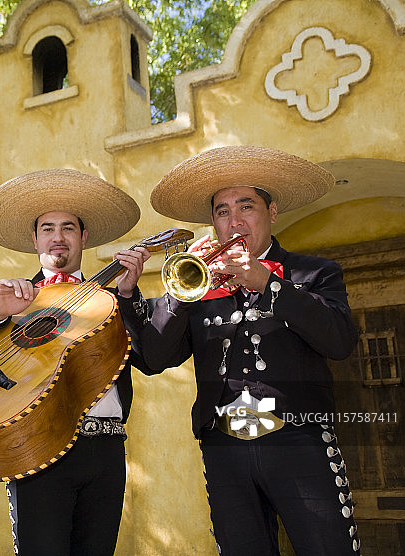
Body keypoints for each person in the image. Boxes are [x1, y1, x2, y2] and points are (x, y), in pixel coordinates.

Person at [138, 145, 360, 554]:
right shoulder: (198, 285)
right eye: (222, 211)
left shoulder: (314, 273)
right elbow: (154, 359)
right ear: (213, 222)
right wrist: (181, 296)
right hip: (224, 450)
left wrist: (267, 283)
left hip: (299, 442)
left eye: (246, 206)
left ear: (272, 212)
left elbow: (340, 341)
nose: (235, 221)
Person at [0, 168, 151, 556]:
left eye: (68, 228)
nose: (58, 238)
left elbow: (153, 358)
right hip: (37, 444)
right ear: (34, 238)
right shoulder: (10, 296)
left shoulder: (115, 298)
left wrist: (129, 295)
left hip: (106, 449)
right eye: (48, 228)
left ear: (84, 237)